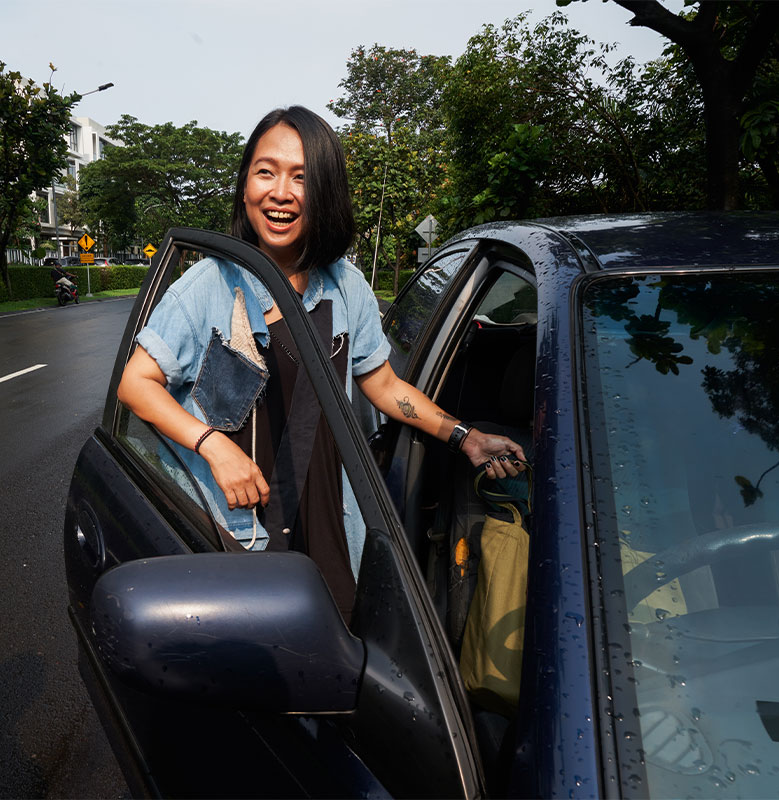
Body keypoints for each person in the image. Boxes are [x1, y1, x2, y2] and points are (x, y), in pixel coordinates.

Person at [117, 106, 524, 620]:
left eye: (301, 178)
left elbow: (381, 384)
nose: (280, 192)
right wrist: (214, 445)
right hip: (235, 525)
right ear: (245, 186)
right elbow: (136, 383)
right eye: (265, 171)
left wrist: (465, 436)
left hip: (330, 512)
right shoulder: (210, 284)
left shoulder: (345, 284)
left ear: (324, 193)